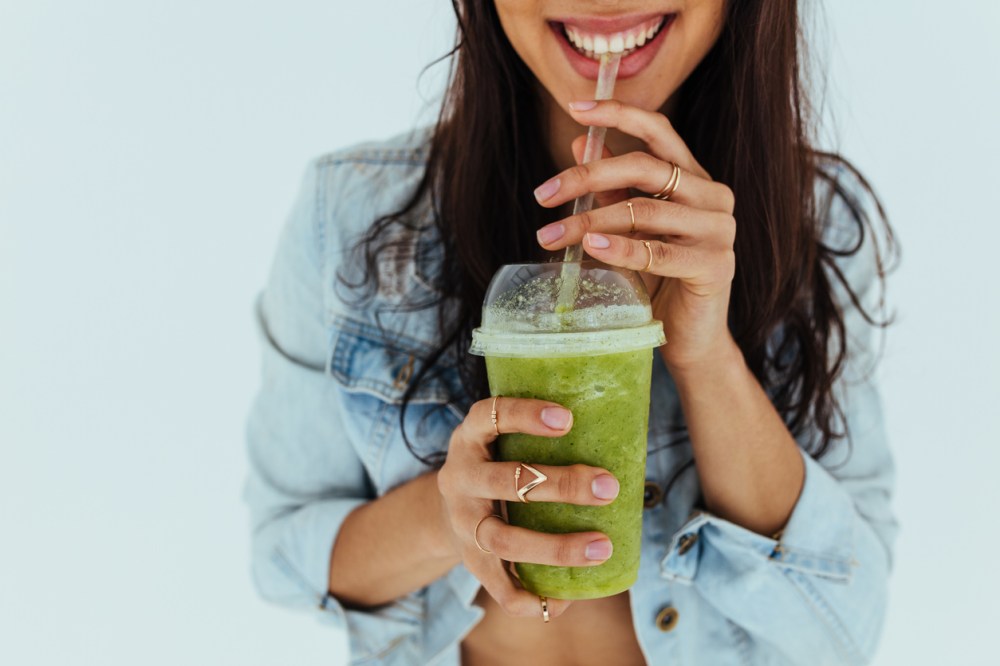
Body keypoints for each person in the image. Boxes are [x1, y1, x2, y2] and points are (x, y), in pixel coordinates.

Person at [243, 1, 899, 664]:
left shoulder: (817, 225)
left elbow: (845, 628)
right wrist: (447, 516)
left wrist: (705, 356)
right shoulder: (351, 219)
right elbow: (284, 559)